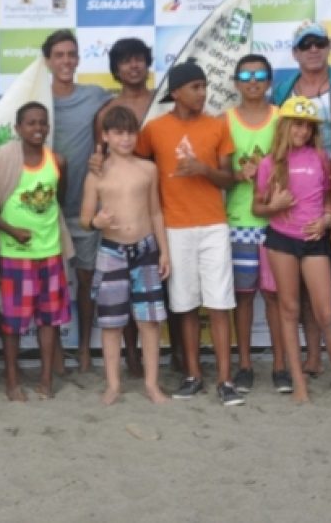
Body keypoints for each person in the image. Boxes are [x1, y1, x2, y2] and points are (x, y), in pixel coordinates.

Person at [135, 61, 243, 406]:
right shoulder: (153, 129)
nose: (202, 93)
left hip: (213, 224)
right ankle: (193, 375)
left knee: (219, 303)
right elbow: (134, 163)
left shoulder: (217, 126)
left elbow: (229, 177)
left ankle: (225, 380)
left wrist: (204, 170)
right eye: (195, 87)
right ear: (176, 92)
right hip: (174, 226)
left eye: (204, 86)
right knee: (184, 304)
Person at [272, 21, 331, 384]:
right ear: (295, 52)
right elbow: (274, 136)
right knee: (308, 284)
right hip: (301, 198)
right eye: (305, 44)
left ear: (328, 47)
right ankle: (312, 356)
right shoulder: (282, 90)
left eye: (319, 43)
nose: (313, 49)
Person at [253, 97, 331, 404]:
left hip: (314, 242)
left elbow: (328, 198)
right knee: (288, 310)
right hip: (281, 241)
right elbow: (257, 206)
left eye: (307, 126)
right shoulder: (268, 162)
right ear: (285, 125)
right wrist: (272, 206)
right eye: (296, 124)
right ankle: (298, 383)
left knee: (326, 312)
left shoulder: (320, 157)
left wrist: (327, 219)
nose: (301, 131)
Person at [81, 105, 170, 405]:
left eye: (131, 132)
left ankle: (152, 385)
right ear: (105, 136)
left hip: (146, 249)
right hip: (111, 251)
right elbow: (84, 218)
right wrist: (97, 222)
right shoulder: (96, 173)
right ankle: (113, 385)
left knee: (150, 321)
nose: (126, 139)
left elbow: (156, 212)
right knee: (111, 322)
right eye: (118, 133)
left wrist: (164, 253)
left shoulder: (148, 168)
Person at [0, 102, 72, 401]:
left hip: (49, 253)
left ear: (48, 127)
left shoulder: (58, 161)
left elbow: (58, 202)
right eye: (30, 123)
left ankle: (46, 380)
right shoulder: (6, 159)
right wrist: (11, 231)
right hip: (15, 254)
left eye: (42, 123)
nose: (37, 128)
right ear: (18, 128)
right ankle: (12, 381)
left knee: (49, 320)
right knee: (12, 323)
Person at [44, 29, 112, 372]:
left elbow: (129, 112)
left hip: (86, 209)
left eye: (71, 54)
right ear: (47, 61)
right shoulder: (36, 99)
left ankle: (84, 349)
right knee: (53, 286)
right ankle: (54, 350)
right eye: (59, 55)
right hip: (46, 213)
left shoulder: (96, 95)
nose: (66, 61)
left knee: (86, 282)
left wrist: (103, 152)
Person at [225, 54, 289, 394]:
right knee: (244, 297)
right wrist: (239, 174)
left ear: (269, 81)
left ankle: (281, 365)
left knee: (276, 297)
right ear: (235, 82)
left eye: (260, 74)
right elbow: (219, 172)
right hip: (238, 222)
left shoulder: (282, 119)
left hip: (278, 222)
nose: (253, 80)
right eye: (246, 75)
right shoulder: (225, 120)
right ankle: (245, 365)